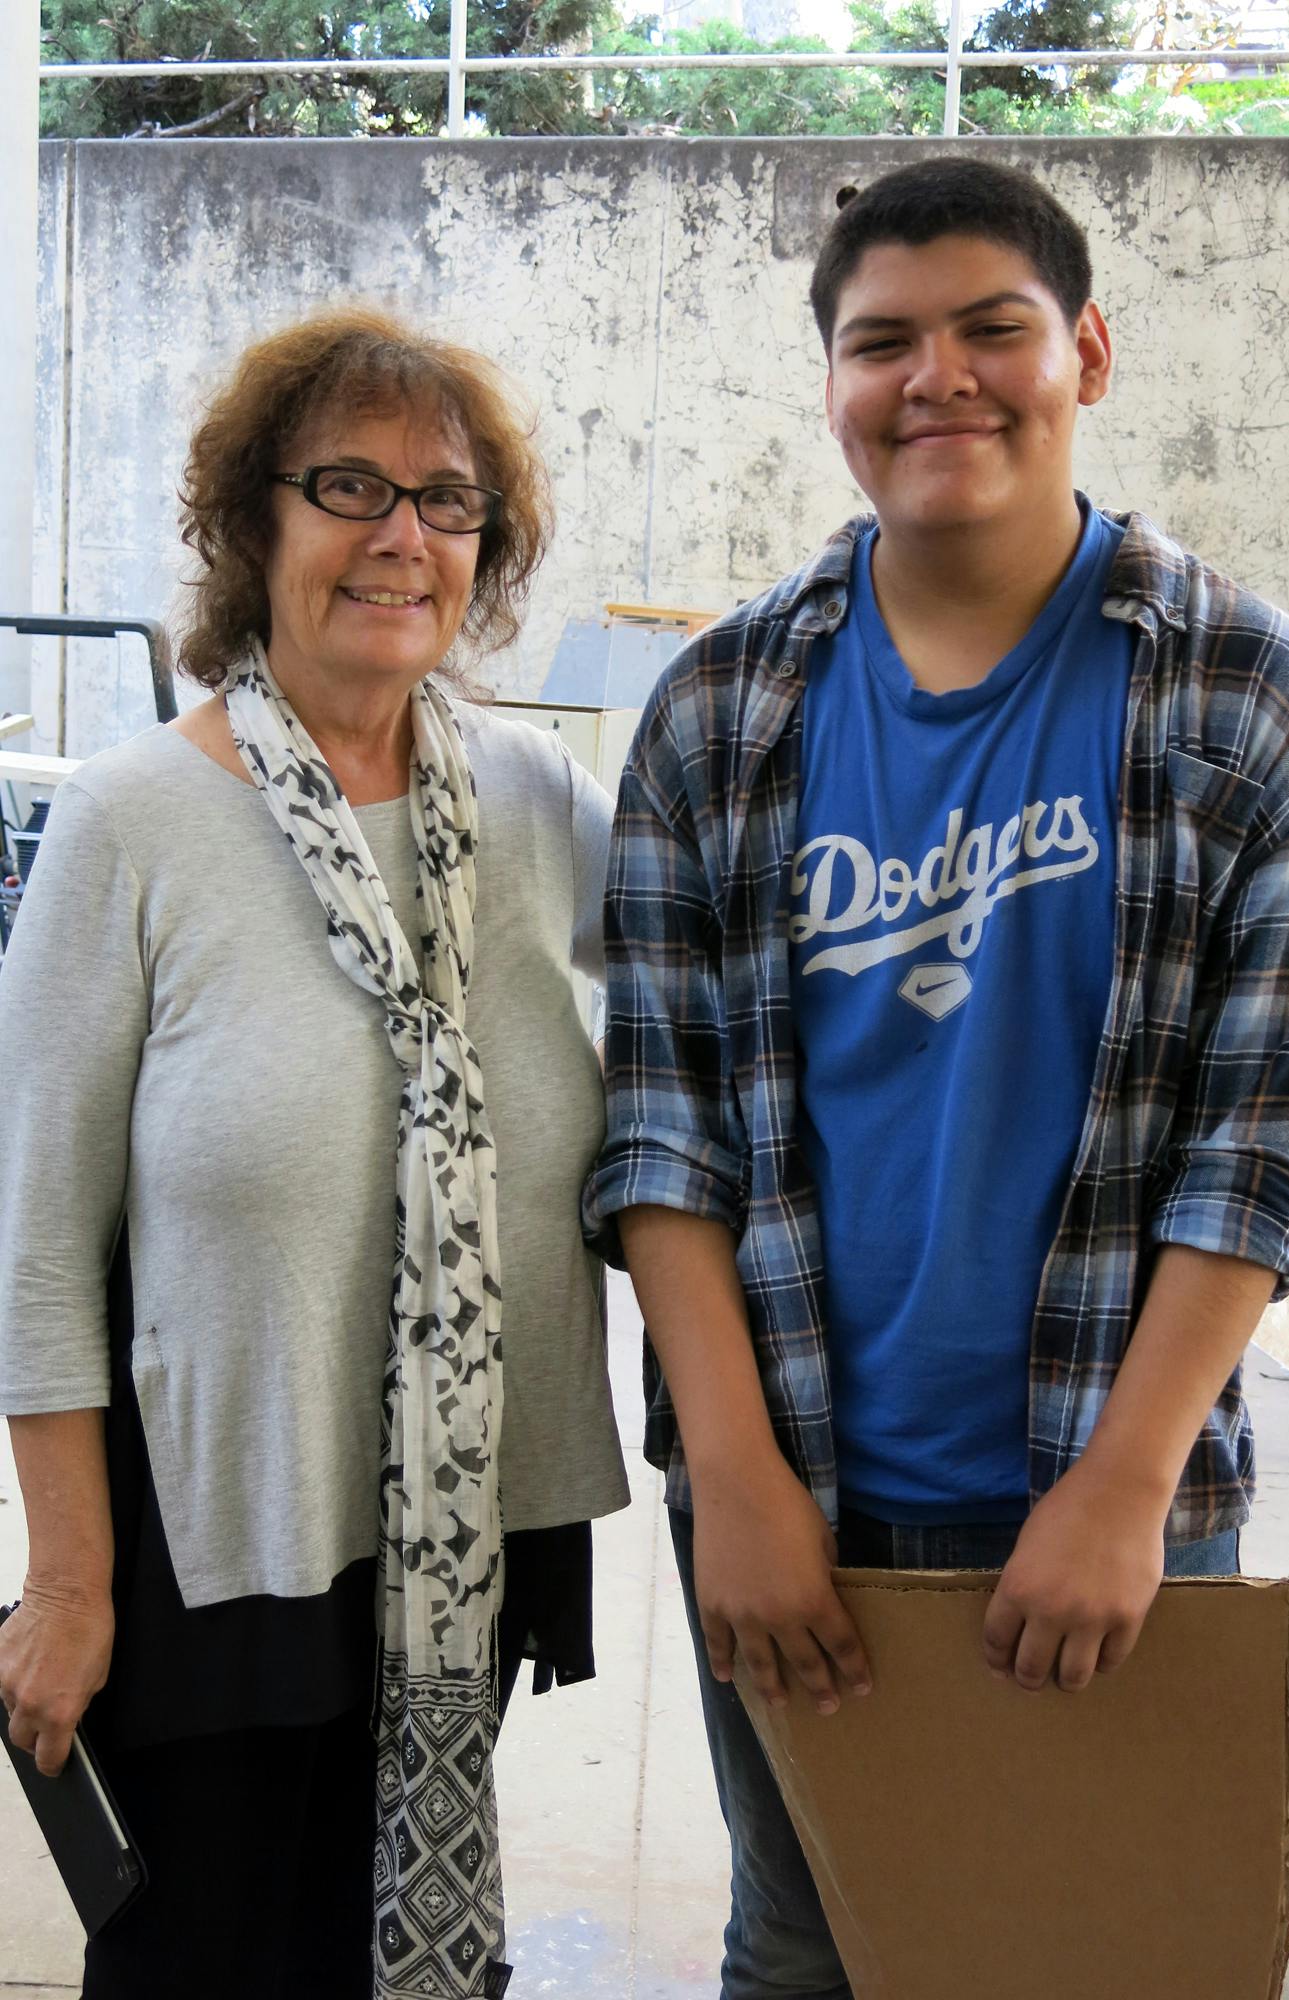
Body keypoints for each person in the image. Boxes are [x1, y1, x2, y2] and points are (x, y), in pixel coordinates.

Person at [584, 157, 1289, 1997]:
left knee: (1105, 1954)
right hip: (797, 1499)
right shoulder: (725, 710)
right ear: (830, 383)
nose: (941, 381)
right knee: (806, 1947)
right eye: (881, 343)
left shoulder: (1245, 692)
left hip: (1116, 1487)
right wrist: (738, 1481)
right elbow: (662, 1127)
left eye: (993, 328)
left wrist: (1125, 1485)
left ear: (1085, 348)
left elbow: (1263, 1135)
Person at [0, 307, 629, 2000]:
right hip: (218, 1535)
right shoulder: (133, 822)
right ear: (254, 521)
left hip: (464, 1516)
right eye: (348, 484)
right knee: (211, 1960)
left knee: (376, 1955)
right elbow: (38, 1246)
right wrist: (64, 1580)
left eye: (446, 498)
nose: (400, 535)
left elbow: (735, 992)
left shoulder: (532, 803)